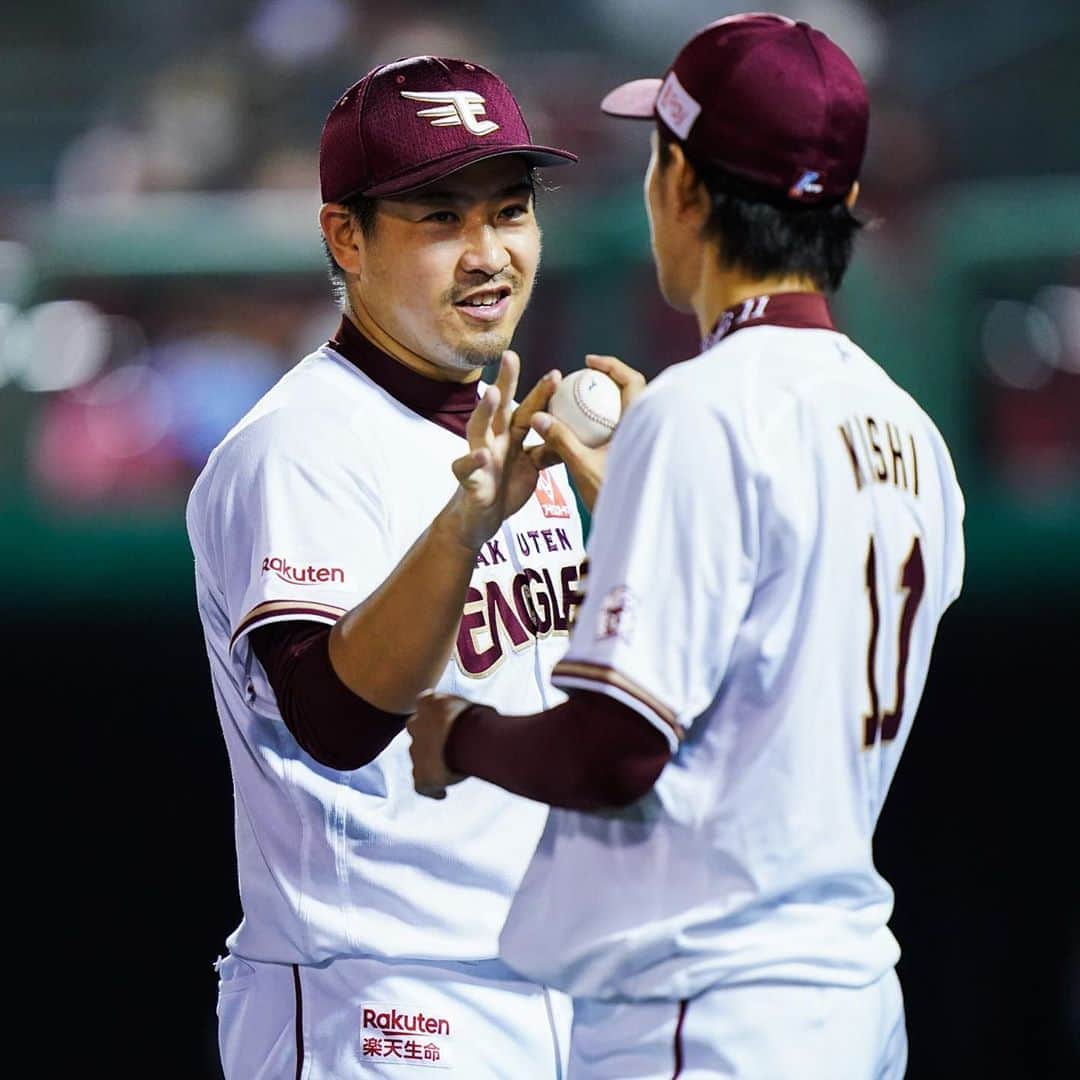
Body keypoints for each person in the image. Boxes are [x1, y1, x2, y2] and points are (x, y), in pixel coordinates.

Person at [408, 14, 966, 1079]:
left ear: (683, 186)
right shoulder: (910, 430)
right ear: (843, 204)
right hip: (846, 997)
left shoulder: (703, 413)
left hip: (706, 1009)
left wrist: (458, 733)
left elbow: (614, 753)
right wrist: (645, 507)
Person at [185, 54, 611, 1079]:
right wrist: (463, 529)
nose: (488, 253)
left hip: (555, 996)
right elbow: (335, 720)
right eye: (439, 218)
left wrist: (651, 522)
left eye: (509, 212)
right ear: (347, 237)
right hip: (377, 1012)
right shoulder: (292, 447)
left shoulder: (529, 438)